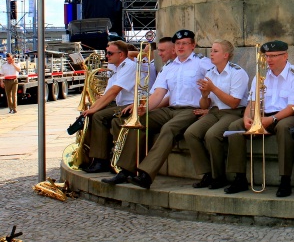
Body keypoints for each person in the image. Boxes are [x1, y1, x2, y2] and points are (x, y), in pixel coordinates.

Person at [103, 29, 212, 189]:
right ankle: (126, 171)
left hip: (192, 110)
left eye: (185, 43)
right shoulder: (169, 66)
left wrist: (211, 109)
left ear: (193, 45)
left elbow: (216, 84)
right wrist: (144, 108)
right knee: (140, 121)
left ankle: (146, 175)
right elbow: (158, 93)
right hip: (171, 109)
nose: (181, 47)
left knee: (168, 129)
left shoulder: (202, 63)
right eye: (178, 44)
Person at [224, 40, 294, 197]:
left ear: (285, 56)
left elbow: (292, 107)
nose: (268, 60)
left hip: (288, 115)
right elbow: (253, 101)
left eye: (273, 56)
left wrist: (272, 120)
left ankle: (285, 180)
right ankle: (239, 177)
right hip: (265, 115)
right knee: (235, 127)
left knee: (284, 128)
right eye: (266, 56)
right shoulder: (261, 76)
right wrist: (247, 117)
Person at [183, 39, 249, 190]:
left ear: (226, 55)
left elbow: (234, 103)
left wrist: (213, 89)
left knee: (212, 135)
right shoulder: (210, 73)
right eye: (211, 51)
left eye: (215, 51)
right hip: (215, 111)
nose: (211, 54)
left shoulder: (237, 72)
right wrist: (205, 95)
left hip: (233, 112)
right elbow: (205, 105)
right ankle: (207, 173)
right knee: (191, 133)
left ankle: (219, 177)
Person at [81, 40, 137, 173]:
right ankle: (88, 156)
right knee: (87, 116)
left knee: (98, 116)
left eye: (110, 53)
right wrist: (92, 107)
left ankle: (101, 160)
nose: (107, 56)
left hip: (129, 105)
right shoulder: (117, 67)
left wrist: (95, 109)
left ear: (121, 55)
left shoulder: (129, 66)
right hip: (120, 103)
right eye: (107, 53)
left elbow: (114, 91)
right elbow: (107, 92)